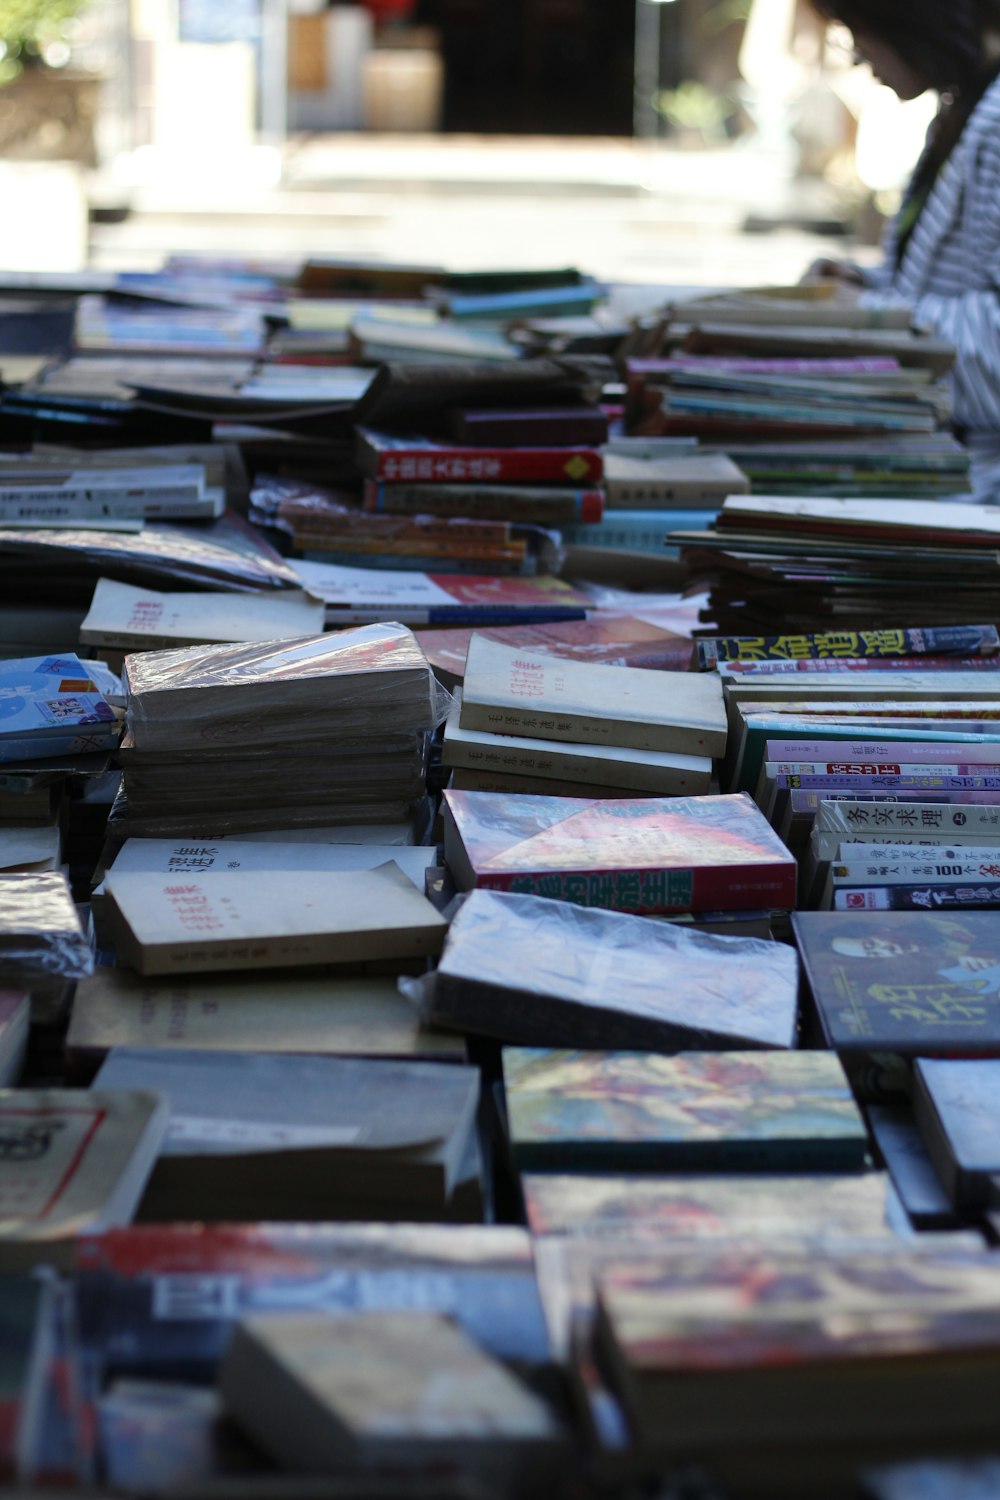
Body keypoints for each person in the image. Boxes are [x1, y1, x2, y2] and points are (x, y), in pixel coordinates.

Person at [803, 0, 1000, 501]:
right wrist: (867, 285)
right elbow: (957, 283)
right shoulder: (963, 104)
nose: (855, 57)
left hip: (974, 488)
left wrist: (866, 315)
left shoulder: (993, 117)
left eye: (856, 31)